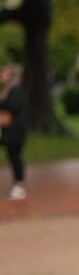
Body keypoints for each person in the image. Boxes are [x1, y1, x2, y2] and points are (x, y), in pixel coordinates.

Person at [0, 63, 28, 201]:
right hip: (8, 129)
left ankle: (19, 185)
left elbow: (14, 106)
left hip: (16, 130)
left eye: (4, 72)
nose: (1, 75)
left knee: (15, 156)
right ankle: (18, 184)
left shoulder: (17, 90)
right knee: (12, 156)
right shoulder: (8, 89)